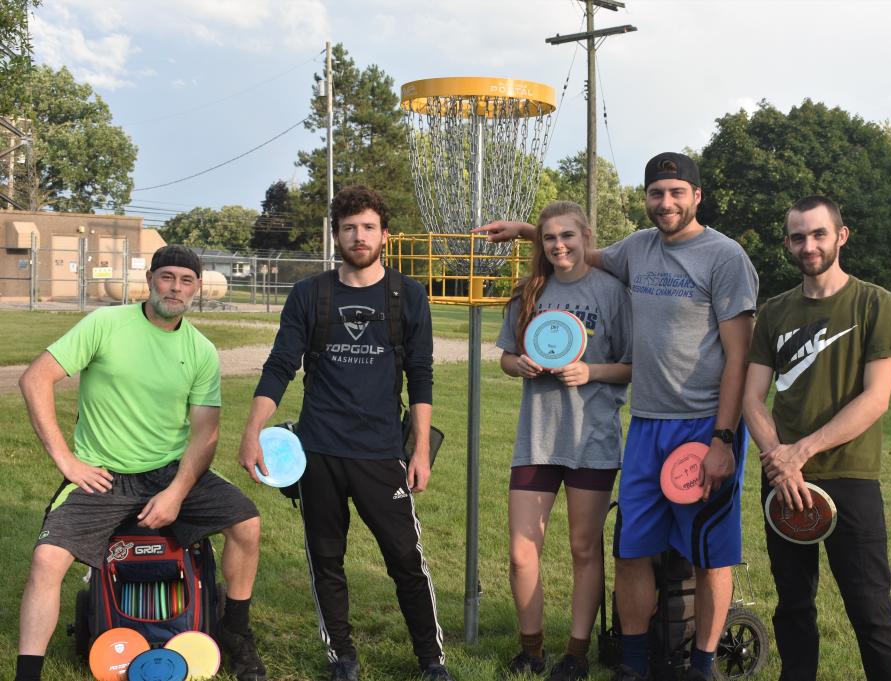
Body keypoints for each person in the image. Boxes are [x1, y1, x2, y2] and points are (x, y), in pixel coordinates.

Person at [478, 152, 758, 681]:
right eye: (656, 193)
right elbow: (577, 251)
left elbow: (739, 358)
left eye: (677, 192)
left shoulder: (724, 257)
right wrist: (524, 231)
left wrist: (724, 437)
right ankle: (631, 663)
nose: (666, 202)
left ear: (696, 196)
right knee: (632, 550)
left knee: (707, 553)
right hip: (647, 425)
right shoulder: (637, 250)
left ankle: (701, 664)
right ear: (647, 198)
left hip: (702, 424)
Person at [14, 245, 267, 681]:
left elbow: (206, 434)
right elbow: (35, 378)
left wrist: (176, 492)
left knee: (247, 524)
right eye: (167, 277)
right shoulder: (105, 324)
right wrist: (67, 461)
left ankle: (236, 634)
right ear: (150, 279)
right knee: (47, 559)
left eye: (186, 281)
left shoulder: (201, 350)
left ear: (197, 289)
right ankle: (27, 672)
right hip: (102, 473)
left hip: (169, 472)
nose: (176, 287)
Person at [238, 185, 451, 681]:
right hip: (319, 452)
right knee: (326, 558)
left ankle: (431, 660)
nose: (359, 236)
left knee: (405, 558)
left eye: (369, 227)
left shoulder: (407, 295)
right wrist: (252, 431)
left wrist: (420, 449)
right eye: (349, 227)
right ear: (335, 234)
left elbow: (421, 374)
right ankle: (343, 658)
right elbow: (280, 366)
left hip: (380, 453)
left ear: (384, 234)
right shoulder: (311, 294)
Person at [742, 195, 891, 681]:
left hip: (849, 477)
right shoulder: (774, 312)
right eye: (798, 236)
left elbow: (876, 398)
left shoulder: (875, 303)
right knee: (793, 606)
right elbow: (752, 399)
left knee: (871, 611)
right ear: (788, 244)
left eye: (818, 234)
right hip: (782, 482)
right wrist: (780, 460)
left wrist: (800, 452)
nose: (808, 244)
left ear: (841, 236)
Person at [496, 201, 632, 681]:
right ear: (541, 242)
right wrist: (522, 365)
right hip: (536, 438)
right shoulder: (531, 291)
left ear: (586, 235)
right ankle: (530, 650)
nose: (559, 246)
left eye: (567, 236)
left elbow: (633, 365)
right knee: (521, 549)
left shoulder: (613, 292)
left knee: (582, 549)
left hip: (591, 438)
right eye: (550, 238)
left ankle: (576, 653)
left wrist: (590, 370)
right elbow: (507, 358)